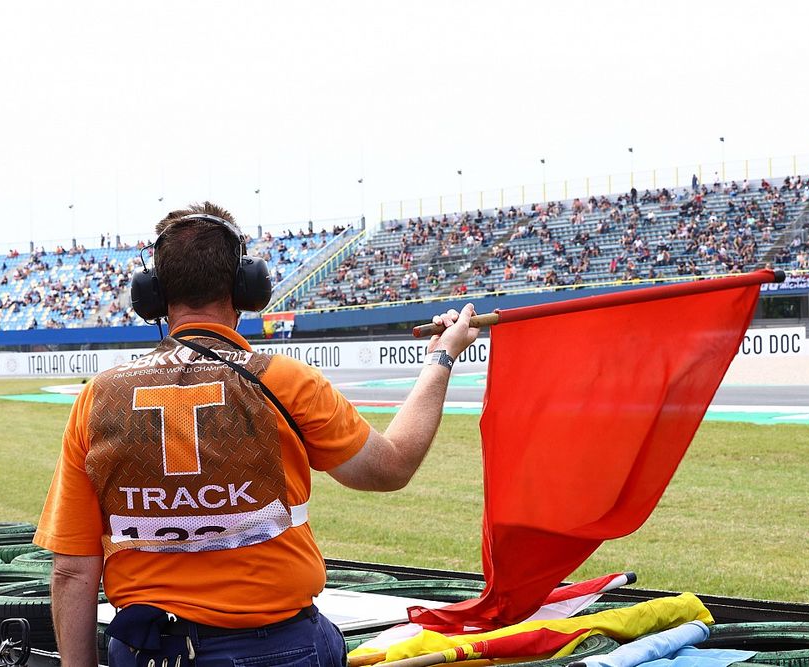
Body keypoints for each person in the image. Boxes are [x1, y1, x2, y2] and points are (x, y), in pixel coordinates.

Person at [33, 202, 480, 667]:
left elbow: (71, 568)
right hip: (276, 646)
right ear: (247, 288)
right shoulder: (287, 381)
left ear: (153, 295)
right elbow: (391, 467)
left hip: (149, 648)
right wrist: (440, 359)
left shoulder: (98, 397)